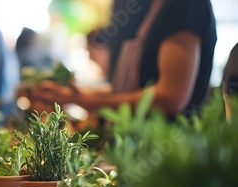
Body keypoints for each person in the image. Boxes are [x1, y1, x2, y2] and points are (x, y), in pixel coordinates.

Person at [36, 0, 217, 117]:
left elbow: (170, 97)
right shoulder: (140, 7)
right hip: (131, 148)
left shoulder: (185, 5)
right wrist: (73, 95)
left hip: (168, 156)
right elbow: (129, 87)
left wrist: (86, 101)